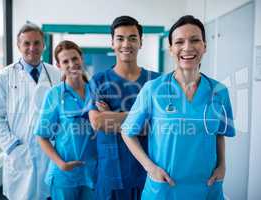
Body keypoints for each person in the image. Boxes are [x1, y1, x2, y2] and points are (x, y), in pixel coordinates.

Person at [121, 15, 236, 200]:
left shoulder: (219, 91)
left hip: (207, 187)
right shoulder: (153, 89)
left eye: (195, 40)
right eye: (179, 41)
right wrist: (151, 169)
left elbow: (219, 133)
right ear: (171, 49)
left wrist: (223, 165)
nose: (187, 47)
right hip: (164, 188)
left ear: (205, 46)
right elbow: (127, 132)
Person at [88, 16, 159, 200]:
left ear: (141, 43)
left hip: (148, 172)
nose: (126, 44)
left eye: (132, 38)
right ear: (112, 43)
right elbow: (97, 122)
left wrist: (112, 116)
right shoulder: (99, 81)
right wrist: (143, 117)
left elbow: (161, 124)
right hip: (111, 175)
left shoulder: (156, 82)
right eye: (120, 38)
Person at [0, 23, 60, 200]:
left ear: (44, 45)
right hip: (19, 151)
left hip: (49, 150)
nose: (32, 48)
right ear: (19, 46)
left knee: (47, 194)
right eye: (26, 43)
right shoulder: (4, 76)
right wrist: (12, 146)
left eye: (36, 43)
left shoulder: (56, 74)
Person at [33, 40, 97, 200]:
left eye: (75, 59)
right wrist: (61, 164)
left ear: (81, 58)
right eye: (65, 61)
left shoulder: (96, 90)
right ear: (59, 65)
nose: (72, 64)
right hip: (65, 173)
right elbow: (42, 135)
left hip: (93, 171)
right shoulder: (54, 95)